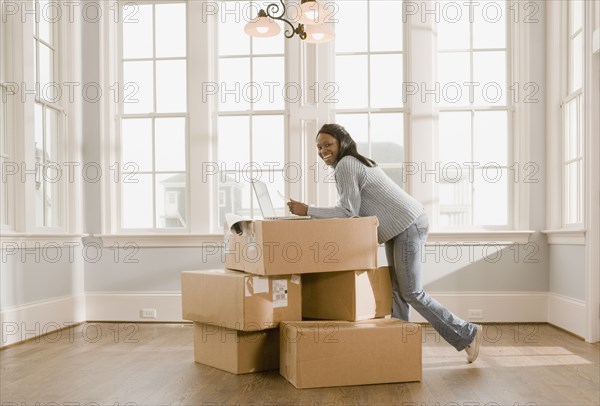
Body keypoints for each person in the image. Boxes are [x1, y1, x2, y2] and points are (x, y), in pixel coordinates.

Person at [288, 123, 483, 363]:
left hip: (407, 224)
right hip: (402, 225)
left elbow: (348, 211)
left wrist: (308, 210)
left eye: (328, 144)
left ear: (342, 142)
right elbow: (353, 211)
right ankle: (399, 347)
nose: (322, 150)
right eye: (319, 147)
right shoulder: (352, 162)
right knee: (399, 291)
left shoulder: (346, 164)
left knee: (411, 291)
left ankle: (466, 333)